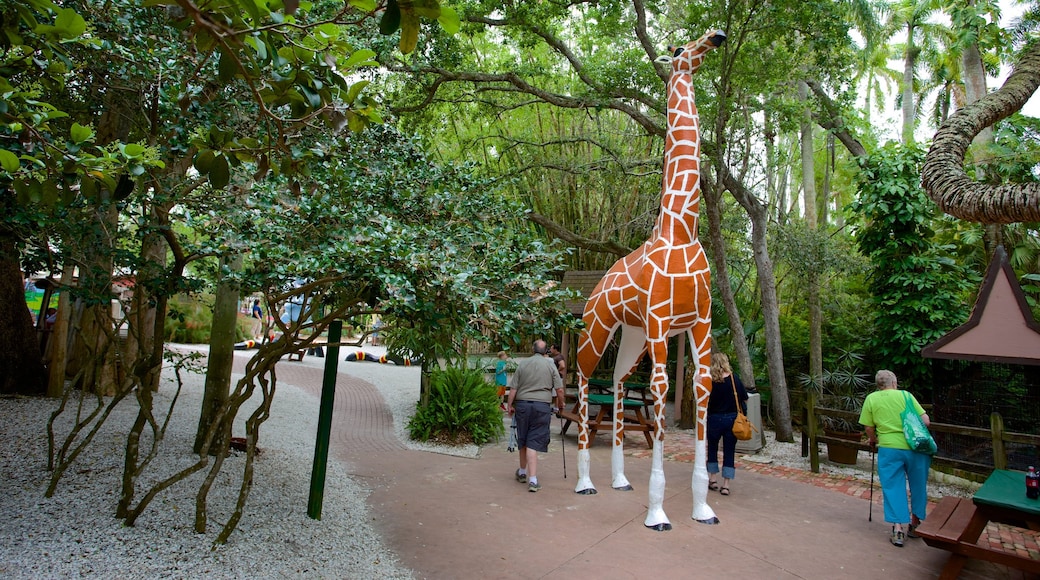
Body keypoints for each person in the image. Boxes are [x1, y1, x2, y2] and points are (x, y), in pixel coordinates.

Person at [859, 369, 930, 548]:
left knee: (893, 486)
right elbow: (926, 421)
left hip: (889, 448)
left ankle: (898, 528)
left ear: (878, 385)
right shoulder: (906, 396)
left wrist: (874, 439)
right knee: (918, 485)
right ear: (894, 383)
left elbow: (868, 427)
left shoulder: (872, 399)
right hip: (915, 447)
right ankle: (915, 524)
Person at [506, 340, 565, 493]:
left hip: (523, 406)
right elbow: (559, 389)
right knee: (534, 440)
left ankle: (522, 472)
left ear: (533, 349)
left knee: (523, 438)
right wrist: (560, 405)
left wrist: (509, 405)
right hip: (541, 407)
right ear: (546, 351)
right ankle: (533, 480)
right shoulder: (551, 364)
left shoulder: (523, 364)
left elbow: (513, 388)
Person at [706, 352, 748, 496]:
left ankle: (712, 479)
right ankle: (726, 485)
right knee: (729, 450)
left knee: (712, 448)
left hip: (714, 418)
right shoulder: (734, 379)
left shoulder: (709, 380)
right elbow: (745, 398)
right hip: (732, 419)